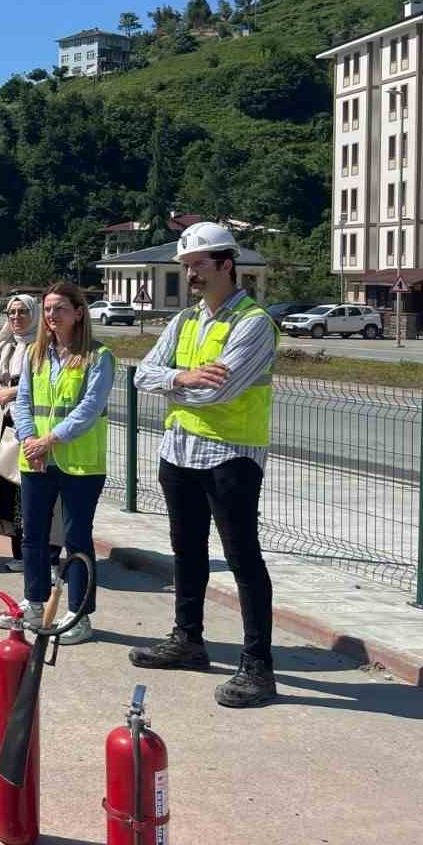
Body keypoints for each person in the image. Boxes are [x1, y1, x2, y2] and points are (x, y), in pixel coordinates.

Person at [128, 222, 280, 708]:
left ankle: (258, 666)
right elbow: (141, 376)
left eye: (197, 264)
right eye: (186, 265)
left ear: (226, 264)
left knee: (242, 559)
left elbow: (220, 390)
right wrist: (183, 376)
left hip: (231, 455)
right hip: (180, 451)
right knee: (186, 551)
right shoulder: (186, 321)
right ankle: (188, 639)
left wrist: (174, 381)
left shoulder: (252, 323)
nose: (190, 273)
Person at [9, 282, 114, 644]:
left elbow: (88, 409)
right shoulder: (36, 355)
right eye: (49, 309)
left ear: (79, 312)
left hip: (79, 464)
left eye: (60, 309)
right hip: (36, 460)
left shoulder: (99, 357)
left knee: (76, 539)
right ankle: (35, 603)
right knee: (33, 536)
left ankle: (79, 616)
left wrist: (48, 441)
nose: (52, 315)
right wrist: (28, 440)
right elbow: (23, 401)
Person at [0, 295, 61, 573]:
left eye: (22, 312)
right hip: (6, 422)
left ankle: (49, 556)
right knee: (11, 489)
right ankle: (20, 552)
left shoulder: (46, 346)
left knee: (40, 490)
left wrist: (13, 392)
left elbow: (47, 383)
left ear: (34, 314)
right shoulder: (5, 345)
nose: (16, 318)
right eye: (11, 312)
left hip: (36, 424)